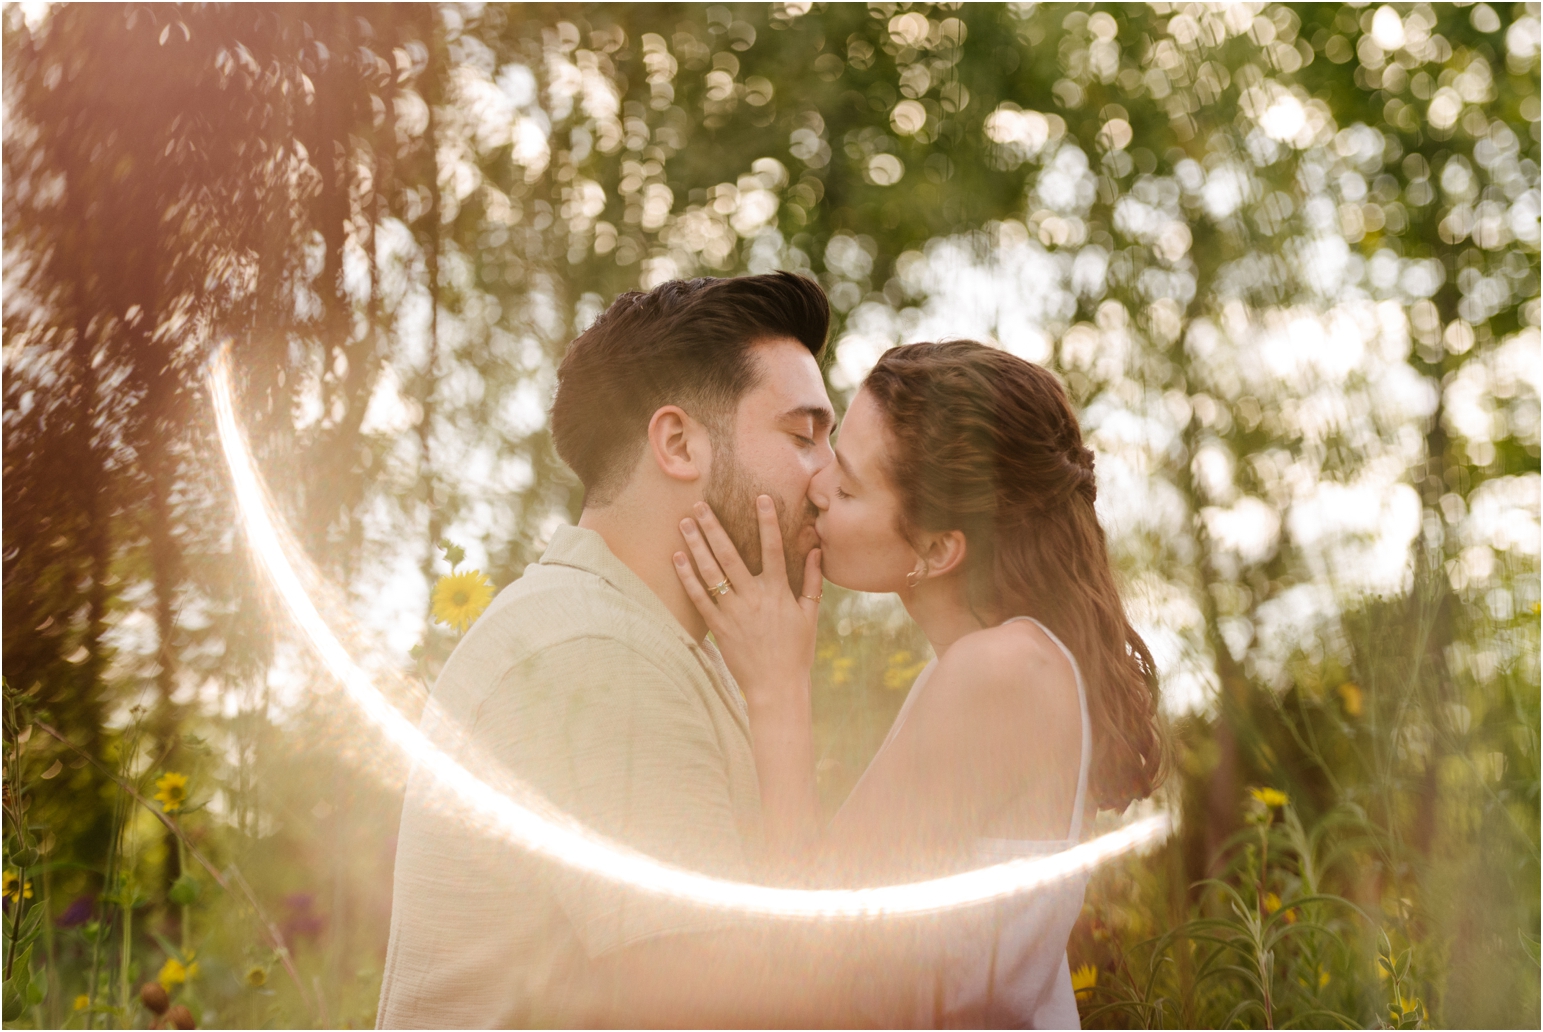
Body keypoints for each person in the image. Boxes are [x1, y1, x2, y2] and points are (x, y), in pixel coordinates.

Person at [376, 273, 919, 1028]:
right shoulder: (598, 656)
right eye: (802, 436)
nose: (827, 478)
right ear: (676, 442)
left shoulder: (653, 643)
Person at [673, 339, 1166, 1028]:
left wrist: (778, 692)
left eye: (847, 487)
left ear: (938, 550)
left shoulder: (998, 673)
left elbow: (811, 950)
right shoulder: (998, 664)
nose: (816, 485)